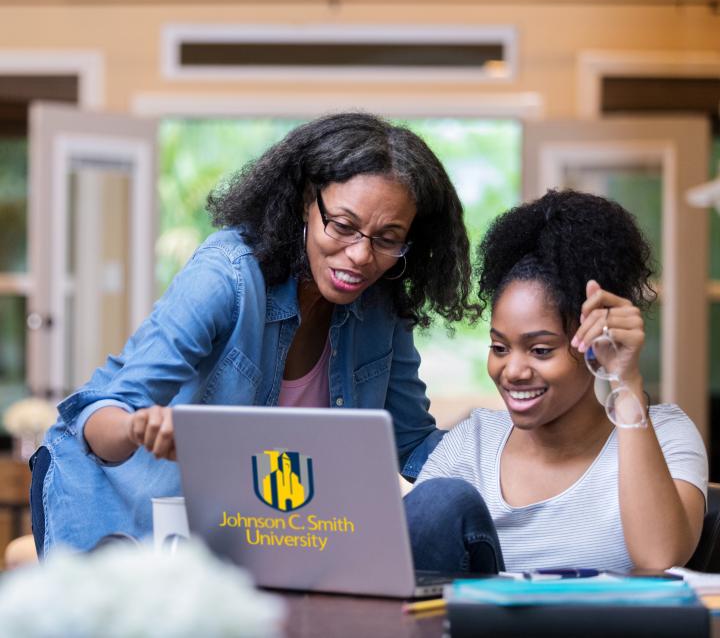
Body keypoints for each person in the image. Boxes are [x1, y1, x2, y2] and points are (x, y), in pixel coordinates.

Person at [31, 112, 479, 555]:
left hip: (249, 521)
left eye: (387, 238)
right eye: (342, 225)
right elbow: (99, 423)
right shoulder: (227, 274)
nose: (361, 255)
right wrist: (138, 426)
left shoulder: (381, 305)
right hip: (117, 505)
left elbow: (413, 444)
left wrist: (507, 448)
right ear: (307, 200)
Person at [405, 189, 708, 574]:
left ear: (593, 344)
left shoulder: (665, 434)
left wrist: (626, 382)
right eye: (499, 347)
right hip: (470, 627)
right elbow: (406, 551)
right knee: (437, 501)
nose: (512, 370)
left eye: (541, 350)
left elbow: (659, 559)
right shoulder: (472, 442)